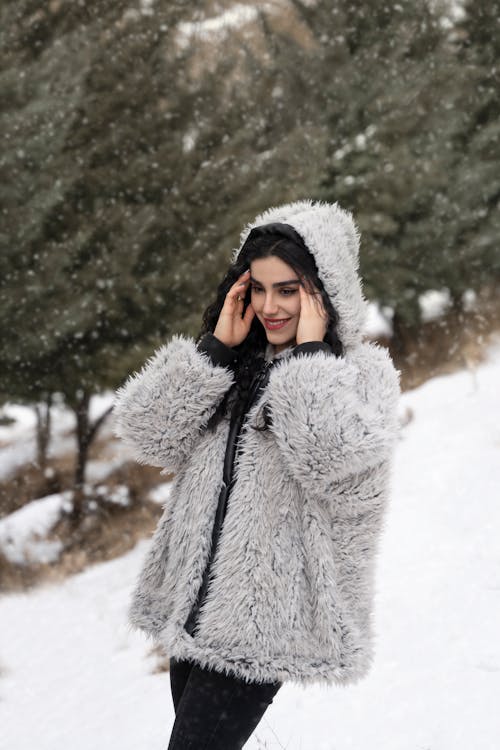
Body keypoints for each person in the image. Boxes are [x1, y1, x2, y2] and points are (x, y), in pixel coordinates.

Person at [113, 199, 401, 749]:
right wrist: (214, 351)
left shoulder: (361, 375)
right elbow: (147, 433)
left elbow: (332, 462)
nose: (270, 306)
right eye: (259, 288)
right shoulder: (235, 367)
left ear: (324, 292)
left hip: (265, 619)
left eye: (288, 290)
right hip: (193, 609)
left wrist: (309, 358)